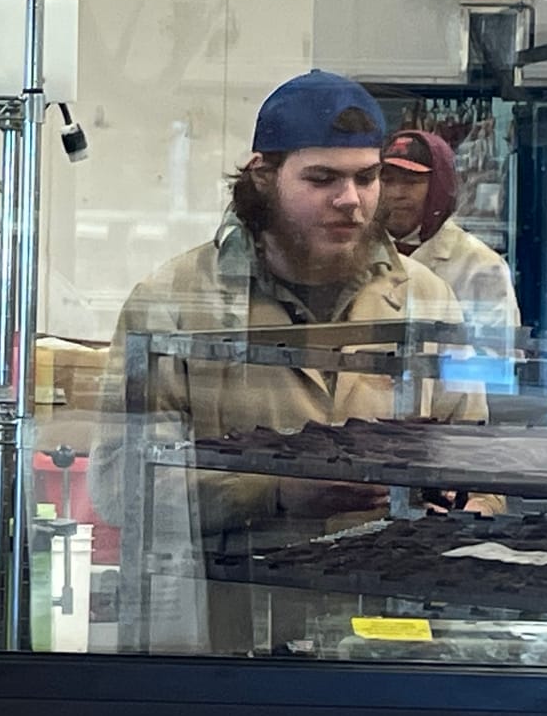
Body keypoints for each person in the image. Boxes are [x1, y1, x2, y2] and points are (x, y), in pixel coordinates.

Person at [90, 71, 491, 655]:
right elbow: (119, 487)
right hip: (226, 637)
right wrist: (274, 491)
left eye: (366, 177)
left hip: (386, 642)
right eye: (322, 179)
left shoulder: (427, 302)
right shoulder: (176, 302)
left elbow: (477, 463)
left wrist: (464, 506)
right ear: (263, 177)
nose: (350, 200)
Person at [378, 128, 521, 354]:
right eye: (387, 181)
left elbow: (497, 363)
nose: (396, 193)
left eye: (411, 182)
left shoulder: (481, 266)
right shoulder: (357, 254)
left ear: (438, 188)